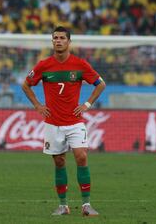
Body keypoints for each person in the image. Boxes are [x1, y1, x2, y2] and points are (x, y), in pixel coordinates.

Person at [22, 26, 106, 216]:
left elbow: (101, 84)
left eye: (61, 38)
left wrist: (87, 104)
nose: (58, 41)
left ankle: (86, 205)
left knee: (81, 157)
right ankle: (63, 206)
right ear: (52, 41)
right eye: (55, 38)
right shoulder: (44, 65)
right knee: (59, 162)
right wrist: (37, 105)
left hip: (75, 122)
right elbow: (26, 85)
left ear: (69, 42)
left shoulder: (80, 64)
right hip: (53, 123)